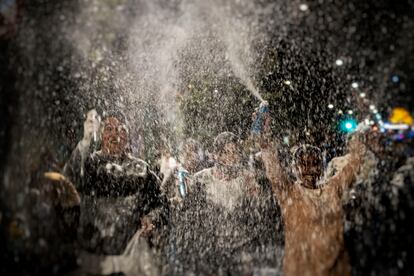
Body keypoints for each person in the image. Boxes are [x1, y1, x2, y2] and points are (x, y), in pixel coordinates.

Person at [61, 111, 168, 275]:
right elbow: (68, 180)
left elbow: (162, 205)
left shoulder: (142, 170)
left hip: (130, 258)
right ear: (101, 134)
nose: (115, 135)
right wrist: (85, 140)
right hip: (93, 258)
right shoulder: (88, 164)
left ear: (127, 136)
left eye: (121, 130)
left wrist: (151, 218)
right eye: (109, 129)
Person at [259, 116, 367, 276]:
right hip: (301, 270)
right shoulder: (289, 192)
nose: (310, 169)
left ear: (322, 168)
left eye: (315, 163)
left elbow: (355, 163)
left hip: (336, 269)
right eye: (303, 163)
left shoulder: (332, 188)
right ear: (295, 168)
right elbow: (274, 172)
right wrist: (265, 138)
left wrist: (360, 132)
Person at [166, 132, 283, 275]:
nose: (232, 158)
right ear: (217, 155)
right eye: (227, 153)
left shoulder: (246, 178)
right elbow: (189, 213)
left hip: (242, 247)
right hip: (212, 250)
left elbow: (262, 214)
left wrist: (256, 194)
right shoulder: (201, 179)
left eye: (235, 153)